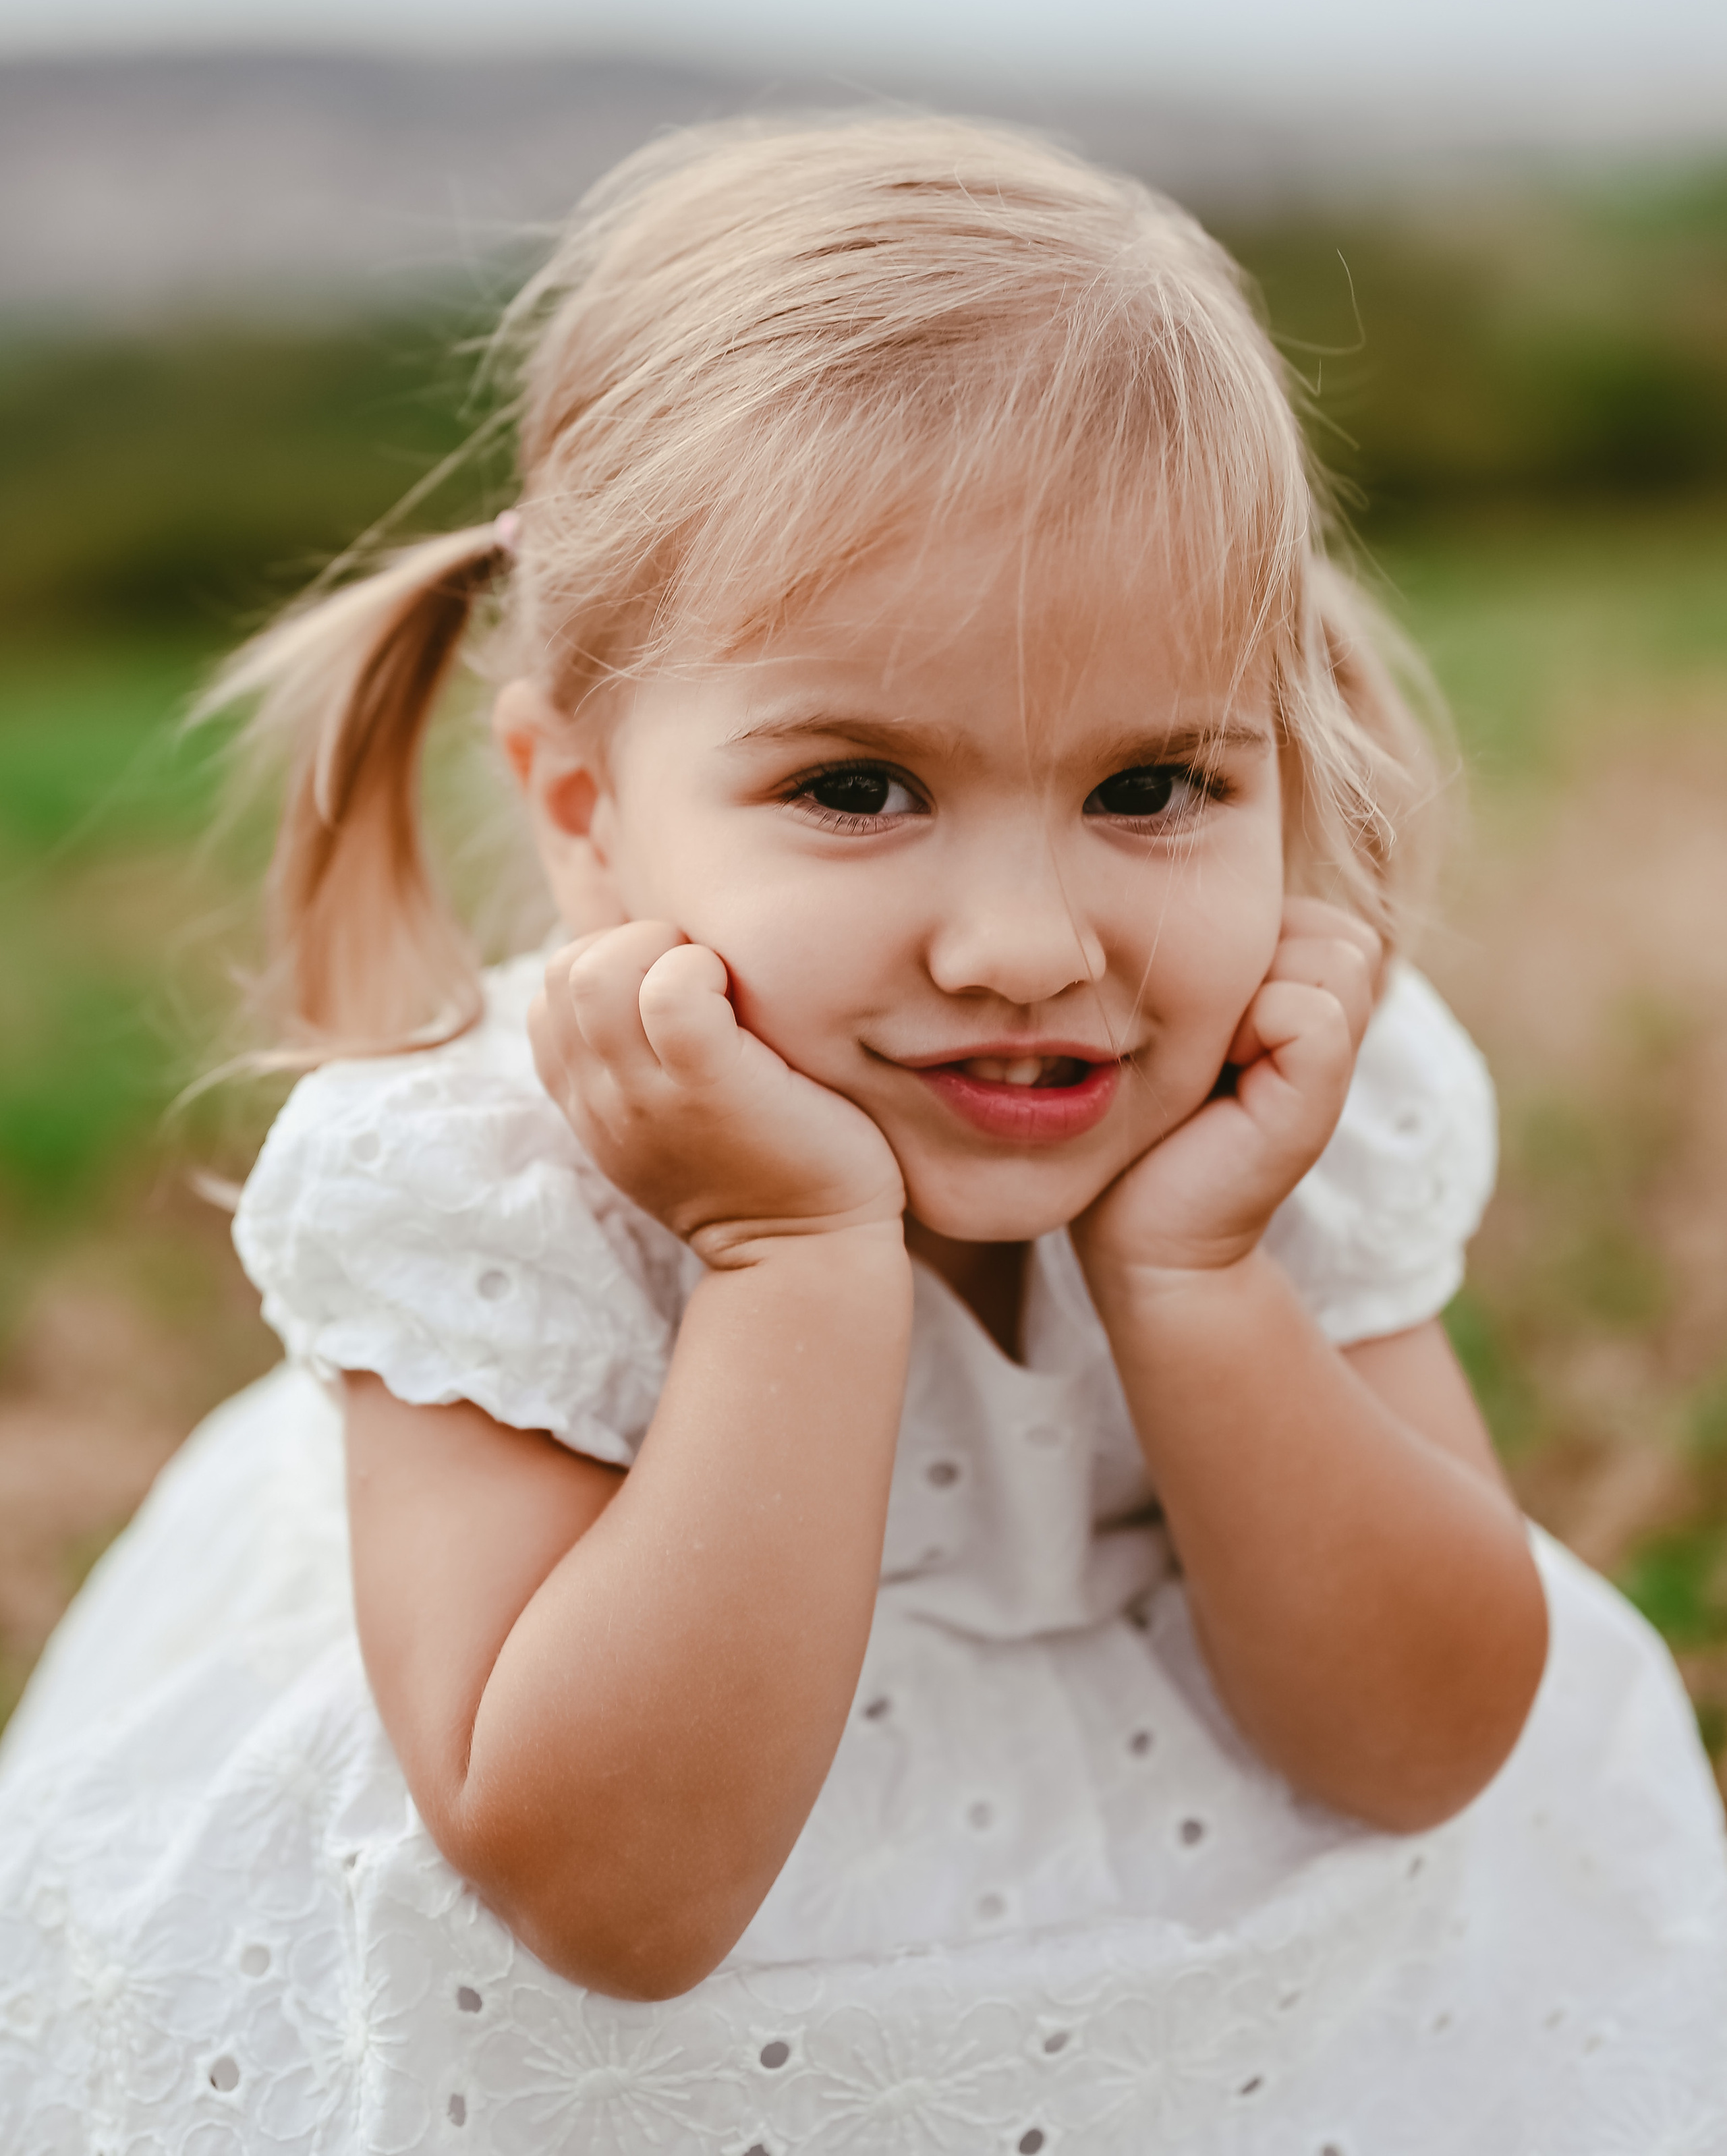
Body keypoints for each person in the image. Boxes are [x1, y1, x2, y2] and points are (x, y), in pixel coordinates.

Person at [1, 117, 1722, 2156]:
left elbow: (1422, 1745)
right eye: (858, 787)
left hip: (1210, 1997)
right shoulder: (489, 1197)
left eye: (1157, 782)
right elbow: (612, 1899)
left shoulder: (1274, 1123)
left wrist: (1193, 1280)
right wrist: (792, 1269)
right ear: (580, 808)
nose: (1026, 945)